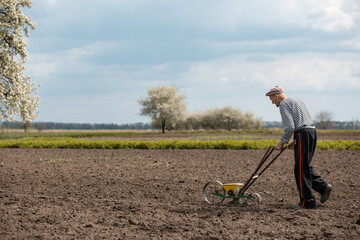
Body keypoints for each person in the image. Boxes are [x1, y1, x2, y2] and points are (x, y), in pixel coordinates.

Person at [265, 86, 332, 210]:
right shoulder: (297, 101)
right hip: (311, 132)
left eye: (272, 100)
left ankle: (308, 202)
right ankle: (322, 187)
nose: (273, 103)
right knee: (303, 166)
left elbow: (290, 127)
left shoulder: (284, 104)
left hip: (302, 133)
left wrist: (282, 142)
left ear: (276, 95)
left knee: (301, 169)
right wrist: (295, 140)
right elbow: (303, 122)